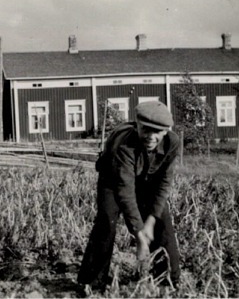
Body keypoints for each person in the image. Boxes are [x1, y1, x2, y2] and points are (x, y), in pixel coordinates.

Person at [77, 101, 180, 295]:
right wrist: (140, 235)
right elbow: (125, 192)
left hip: (146, 178)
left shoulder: (172, 143)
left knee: (162, 221)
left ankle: (167, 281)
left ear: (166, 131)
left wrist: (150, 221)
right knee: (107, 219)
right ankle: (91, 282)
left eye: (157, 131)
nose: (150, 136)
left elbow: (164, 184)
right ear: (137, 125)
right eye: (145, 129)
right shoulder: (125, 145)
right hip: (112, 177)